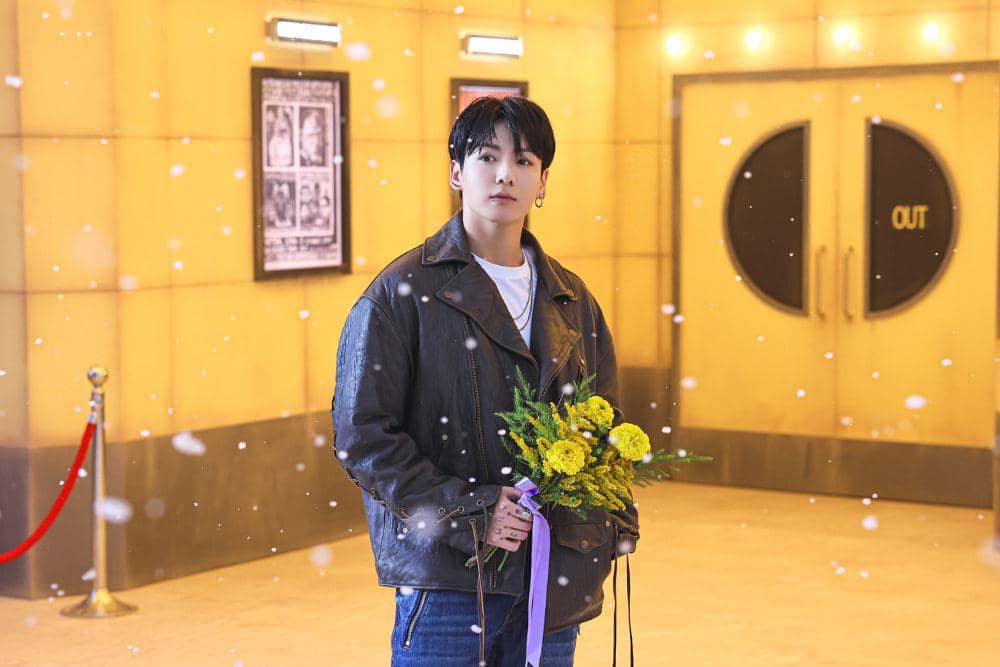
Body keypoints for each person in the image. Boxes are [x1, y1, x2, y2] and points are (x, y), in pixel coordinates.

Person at [332, 96, 639, 667]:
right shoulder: (401, 293)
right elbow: (363, 437)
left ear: (543, 181)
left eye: (523, 161)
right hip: (450, 580)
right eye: (487, 156)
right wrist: (469, 510)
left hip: (551, 576)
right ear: (456, 172)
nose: (505, 174)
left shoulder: (571, 298)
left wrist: (606, 524)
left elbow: (606, 425)